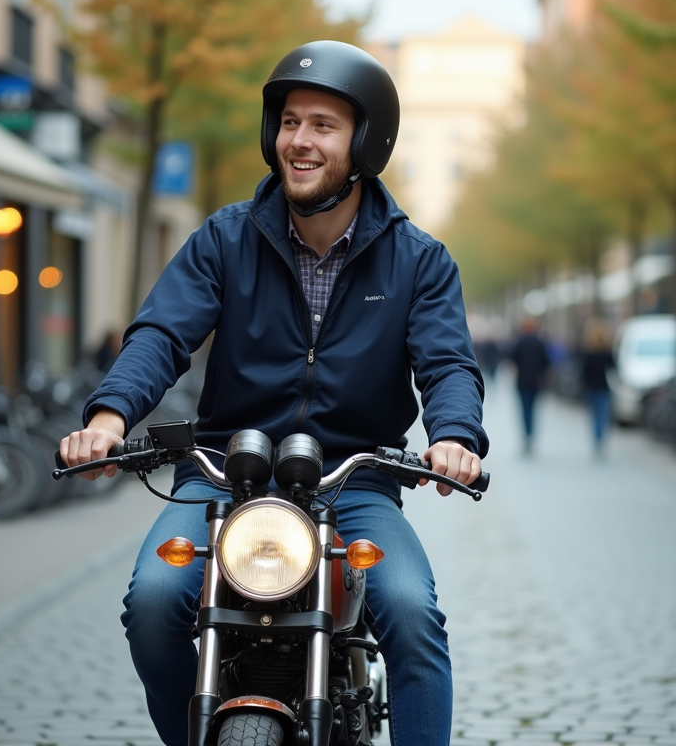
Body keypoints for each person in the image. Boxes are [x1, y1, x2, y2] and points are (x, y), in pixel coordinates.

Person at [60, 41, 487, 746]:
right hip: (226, 474)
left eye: (323, 124)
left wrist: (454, 438)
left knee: (412, 614)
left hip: (356, 481)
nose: (300, 140)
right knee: (154, 602)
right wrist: (107, 420)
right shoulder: (225, 239)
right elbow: (163, 334)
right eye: (290, 121)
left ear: (365, 142)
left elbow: (446, 365)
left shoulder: (420, 261)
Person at [509, 315, 551, 455]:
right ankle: (531, 434)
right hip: (535, 381)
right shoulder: (539, 342)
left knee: (524, 409)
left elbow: (512, 358)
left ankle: (527, 435)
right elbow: (546, 362)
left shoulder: (519, 341)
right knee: (533, 409)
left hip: (522, 381)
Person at [579, 317, 616, 458]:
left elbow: (583, 372)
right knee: (603, 416)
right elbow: (613, 368)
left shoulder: (588, 353)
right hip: (604, 387)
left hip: (591, 388)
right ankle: (601, 440)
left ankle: (596, 440)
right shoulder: (607, 352)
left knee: (594, 416)